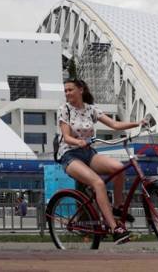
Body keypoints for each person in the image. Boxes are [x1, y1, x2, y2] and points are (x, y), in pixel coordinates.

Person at [56, 78, 148, 244]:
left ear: (81, 90)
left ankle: (117, 208)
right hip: (70, 154)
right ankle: (115, 228)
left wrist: (137, 123)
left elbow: (114, 124)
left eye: (70, 90)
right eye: (66, 91)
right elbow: (66, 137)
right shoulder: (64, 109)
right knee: (98, 183)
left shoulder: (91, 110)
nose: (67, 93)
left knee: (118, 168)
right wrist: (78, 142)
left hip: (88, 153)